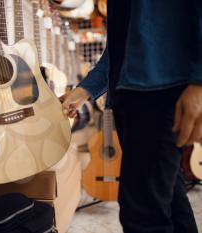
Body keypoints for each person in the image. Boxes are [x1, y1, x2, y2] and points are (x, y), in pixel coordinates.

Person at [61, 1, 202, 233]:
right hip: (129, 96)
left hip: (161, 89)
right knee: (169, 199)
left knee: (142, 214)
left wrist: (199, 81)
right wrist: (85, 89)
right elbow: (121, 44)